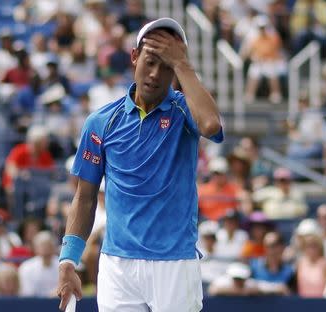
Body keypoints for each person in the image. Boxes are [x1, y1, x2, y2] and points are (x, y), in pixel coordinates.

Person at [57, 17, 223, 312]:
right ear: (134, 57)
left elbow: (210, 125)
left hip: (175, 262)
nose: (155, 74)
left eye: (166, 66)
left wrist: (183, 64)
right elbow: (84, 197)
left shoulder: (185, 111)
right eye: (150, 61)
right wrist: (69, 259)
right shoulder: (101, 121)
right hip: (117, 265)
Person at [19, 231, 59, 297]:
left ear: (54, 247)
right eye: (43, 245)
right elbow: (26, 293)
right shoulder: (26, 267)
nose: (46, 248)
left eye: (49, 245)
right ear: (35, 248)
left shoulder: (63, 265)